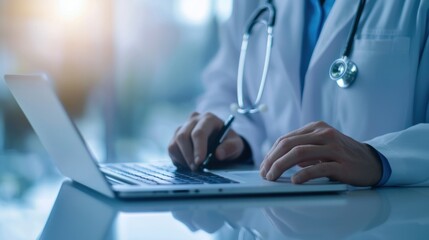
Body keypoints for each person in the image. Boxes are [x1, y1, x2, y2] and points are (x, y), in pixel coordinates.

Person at [168, 0, 429, 187]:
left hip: (383, 223)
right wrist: (231, 139)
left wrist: (379, 158)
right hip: (269, 216)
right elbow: (224, 88)